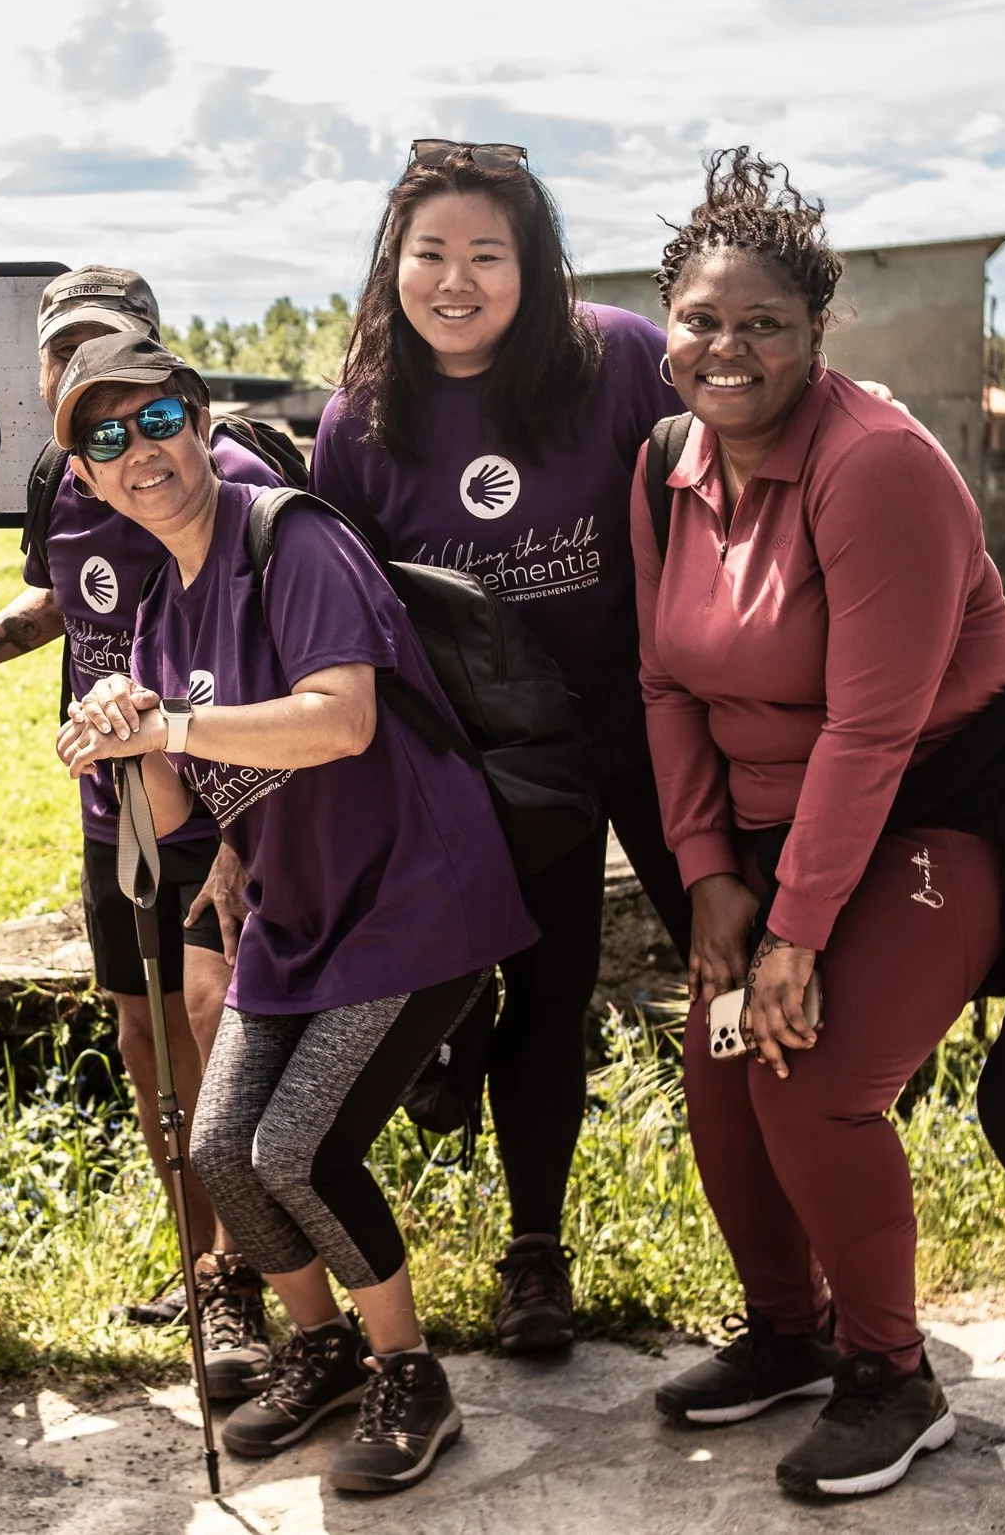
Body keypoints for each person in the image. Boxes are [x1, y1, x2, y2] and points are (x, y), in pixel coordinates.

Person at [630, 148, 1005, 1498]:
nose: (728, 347)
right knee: (717, 1061)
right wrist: (707, 877)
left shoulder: (880, 470)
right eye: (702, 318)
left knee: (805, 1071)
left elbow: (873, 730)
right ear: (667, 322)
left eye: (765, 323)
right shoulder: (665, 467)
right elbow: (665, 682)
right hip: (771, 835)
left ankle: (891, 1372)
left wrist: (795, 928)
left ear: (816, 336)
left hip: (943, 812)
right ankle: (789, 1333)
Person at [57, 333, 538, 1495]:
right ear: (83, 475)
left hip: (412, 897)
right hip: (295, 909)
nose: (141, 452)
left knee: (300, 1149)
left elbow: (339, 720)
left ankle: (409, 1372)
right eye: (105, 437)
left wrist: (170, 723)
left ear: (198, 412)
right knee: (224, 1151)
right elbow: (178, 809)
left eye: (158, 417)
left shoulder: (293, 535)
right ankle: (320, 1345)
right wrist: (130, 727)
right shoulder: (163, 610)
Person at [309, 138, 694, 1355]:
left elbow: (733, 471)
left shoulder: (616, 360)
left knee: (732, 959)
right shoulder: (358, 421)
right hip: (486, 767)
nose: (455, 280)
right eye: (429, 254)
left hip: (647, 720)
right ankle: (536, 1250)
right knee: (538, 987)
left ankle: (796, 1247)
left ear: (535, 267)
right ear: (393, 264)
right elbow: (345, 621)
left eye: (488, 254)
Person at [0, 265, 280, 1393]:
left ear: (158, 359)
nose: (82, 368)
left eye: (109, 343)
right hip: (110, 803)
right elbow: (63, 597)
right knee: (146, 1038)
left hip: (213, 800)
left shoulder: (216, 469)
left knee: (216, 1033)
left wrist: (249, 834)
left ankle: (243, 1273)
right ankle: (199, 1263)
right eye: (62, 350)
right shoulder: (65, 470)